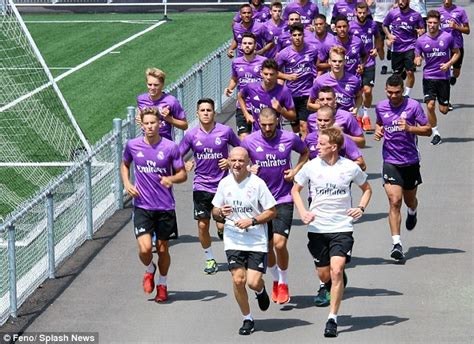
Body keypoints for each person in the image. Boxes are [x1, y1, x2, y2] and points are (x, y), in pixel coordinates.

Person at [292, 126, 372, 338]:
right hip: (317, 227)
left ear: (333, 147)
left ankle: (332, 319)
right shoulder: (310, 167)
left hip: (341, 227)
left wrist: (361, 208)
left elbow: (367, 189)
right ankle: (334, 281)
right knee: (324, 274)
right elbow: (295, 190)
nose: (317, 147)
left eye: (321, 144)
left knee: (336, 271)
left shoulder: (350, 168)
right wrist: (303, 211)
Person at [241, 108, 309, 304]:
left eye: (271, 124)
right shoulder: (249, 141)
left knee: (280, 243)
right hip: (260, 202)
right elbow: (235, 161)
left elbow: (305, 152)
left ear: (278, 121)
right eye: (264, 125)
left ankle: (284, 282)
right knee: (268, 247)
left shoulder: (288, 138)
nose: (268, 128)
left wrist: (295, 170)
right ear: (258, 122)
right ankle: (275, 279)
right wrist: (248, 169)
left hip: (283, 198)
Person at [121, 107, 187, 303]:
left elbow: (182, 174)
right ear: (141, 124)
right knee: (145, 248)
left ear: (160, 124)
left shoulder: (170, 147)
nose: (150, 126)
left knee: (164, 249)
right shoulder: (132, 145)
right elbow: (125, 164)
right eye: (146, 123)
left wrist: (171, 179)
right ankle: (150, 268)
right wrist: (127, 183)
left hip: (165, 207)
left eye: (153, 123)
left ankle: (163, 284)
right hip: (142, 205)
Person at [212, 147, 277, 336]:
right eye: (234, 160)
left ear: (248, 161)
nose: (237, 164)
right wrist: (220, 213)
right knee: (238, 279)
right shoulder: (224, 184)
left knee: (253, 282)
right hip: (233, 239)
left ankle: (260, 290)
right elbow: (214, 211)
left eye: (241, 161)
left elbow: (272, 211)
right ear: (229, 161)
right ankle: (247, 318)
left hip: (256, 239)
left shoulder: (257, 184)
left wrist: (253, 220)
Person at [179, 99, 241, 275]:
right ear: (197, 114)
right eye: (202, 110)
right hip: (201, 185)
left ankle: (230, 246)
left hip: (222, 186)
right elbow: (175, 155)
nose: (206, 113)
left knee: (222, 226)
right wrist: (183, 165)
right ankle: (209, 259)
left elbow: (242, 150)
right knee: (202, 225)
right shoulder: (191, 135)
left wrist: (230, 161)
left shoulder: (225, 132)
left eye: (209, 110)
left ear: (214, 113)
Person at [374, 74, 431, 261]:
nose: (393, 96)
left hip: (411, 161)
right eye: (389, 92)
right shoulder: (381, 107)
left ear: (402, 90)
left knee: (409, 200)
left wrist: (410, 128)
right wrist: (378, 130)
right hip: (390, 161)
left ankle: (413, 210)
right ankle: (396, 244)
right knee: (394, 201)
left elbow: (427, 129)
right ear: (385, 90)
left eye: (397, 92)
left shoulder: (413, 106)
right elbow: (379, 123)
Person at [414, 10, 460, 145]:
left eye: (435, 23)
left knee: (443, 110)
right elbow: (417, 56)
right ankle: (436, 133)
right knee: (430, 105)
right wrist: (417, 60)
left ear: (439, 23)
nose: (432, 25)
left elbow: (457, 53)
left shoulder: (447, 37)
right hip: (428, 77)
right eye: (430, 23)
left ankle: (445, 104)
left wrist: (449, 64)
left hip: (443, 78)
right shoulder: (421, 40)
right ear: (426, 23)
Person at [277, 22, 320, 138]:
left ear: (303, 36)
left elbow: (318, 65)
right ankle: (297, 139)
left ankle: (305, 149)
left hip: (307, 93)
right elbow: (273, 72)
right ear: (290, 36)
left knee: (304, 126)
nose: (297, 38)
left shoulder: (312, 50)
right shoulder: (284, 53)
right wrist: (287, 77)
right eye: (294, 35)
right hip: (291, 94)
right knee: (295, 125)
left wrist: (317, 76)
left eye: (299, 35)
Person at [225, 32, 266, 139]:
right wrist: (230, 88)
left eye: (250, 43)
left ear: (255, 45)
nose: (247, 45)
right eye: (245, 43)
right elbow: (234, 78)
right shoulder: (236, 62)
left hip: (260, 106)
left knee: (260, 139)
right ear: (241, 46)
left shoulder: (263, 62)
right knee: (244, 139)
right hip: (242, 106)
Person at [237, 58, 296, 132]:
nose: (268, 77)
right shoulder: (251, 87)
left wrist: (281, 110)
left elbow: (293, 116)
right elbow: (240, 96)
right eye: (266, 74)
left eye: (271, 74)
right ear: (261, 73)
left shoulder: (284, 91)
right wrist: (246, 114)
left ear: (277, 74)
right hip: (257, 134)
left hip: (276, 134)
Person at [350, 2, 383, 131]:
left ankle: (366, 115)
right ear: (355, 12)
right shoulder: (351, 26)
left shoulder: (372, 24)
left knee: (368, 91)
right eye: (359, 13)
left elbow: (378, 37)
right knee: (357, 92)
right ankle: (358, 116)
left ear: (368, 12)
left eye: (364, 13)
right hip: (355, 63)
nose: (362, 15)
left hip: (369, 61)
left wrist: (377, 49)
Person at [383, 0, 425, 97]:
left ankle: (406, 94)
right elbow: (384, 25)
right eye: (399, 0)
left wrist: (420, 31)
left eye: (403, 0)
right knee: (396, 75)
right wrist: (389, 35)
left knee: (410, 72)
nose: (401, 2)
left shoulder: (416, 15)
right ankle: (399, 86)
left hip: (410, 45)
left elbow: (422, 29)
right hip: (397, 47)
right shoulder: (393, 13)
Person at [305, 105, 366, 171]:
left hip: (340, 179)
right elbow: (304, 159)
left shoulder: (343, 139)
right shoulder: (309, 138)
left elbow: (361, 164)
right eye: (319, 120)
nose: (322, 123)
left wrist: (337, 170)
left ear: (333, 121)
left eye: (326, 120)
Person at [308, 46, 362, 117]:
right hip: (328, 120)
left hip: (347, 119)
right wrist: (324, 107)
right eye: (334, 61)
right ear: (329, 62)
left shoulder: (354, 80)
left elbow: (359, 97)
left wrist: (356, 109)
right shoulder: (320, 81)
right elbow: (309, 105)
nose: (337, 64)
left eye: (340, 61)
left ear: (345, 62)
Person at [136, 68, 188, 141]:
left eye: (156, 85)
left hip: (165, 145)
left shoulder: (171, 101)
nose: (152, 88)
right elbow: (140, 113)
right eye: (149, 84)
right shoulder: (141, 99)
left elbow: (184, 125)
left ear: (162, 84)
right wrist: (140, 117)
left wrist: (169, 119)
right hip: (147, 144)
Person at [438, 0, 470, 88]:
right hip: (443, 45)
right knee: (443, 70)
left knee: (456, 73)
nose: (447, 1)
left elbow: (467, 30)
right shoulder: (438, 12)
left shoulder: (460, 11)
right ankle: (444, 95)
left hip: (457, 45)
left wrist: (456, 27)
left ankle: (453, 73)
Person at [373, 0, 395, 75]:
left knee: (392, 41)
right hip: (378, 20)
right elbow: (368, 3)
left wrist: (397, 5)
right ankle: (384, 64)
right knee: (379, 45)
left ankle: (390, 51)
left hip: (391, 20)